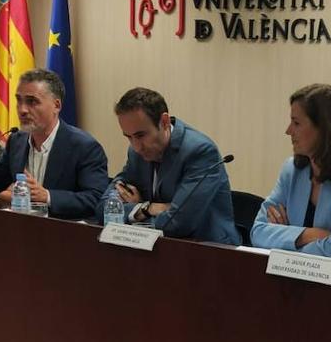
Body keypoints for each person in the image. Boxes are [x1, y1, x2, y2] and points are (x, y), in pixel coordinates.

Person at [0, 68, 109, 220]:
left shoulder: (84, 146)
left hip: (64, 239)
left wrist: (48, 196)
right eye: (19, 100)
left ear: (56, 105)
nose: (22, 109)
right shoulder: (17, 140)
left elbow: (96, 199)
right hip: (20, 232)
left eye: (32, 102)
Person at [250, 84, 331, 269]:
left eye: (296, 123)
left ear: (324, 129)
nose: (288, 131)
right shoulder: (291, 171)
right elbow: (258, 232)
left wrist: (285, 242)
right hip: (291, 282)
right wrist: (312, 234)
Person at [98, 87, 238, 243]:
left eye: (141, 135)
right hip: (160, 248)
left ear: (164, 122)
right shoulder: (136, 153)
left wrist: (136, 214)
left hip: (210, 250)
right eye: (129, 137)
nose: (136, 146)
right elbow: (105, 208)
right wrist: (145, 208)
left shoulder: (200, 152)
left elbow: (178, 224)